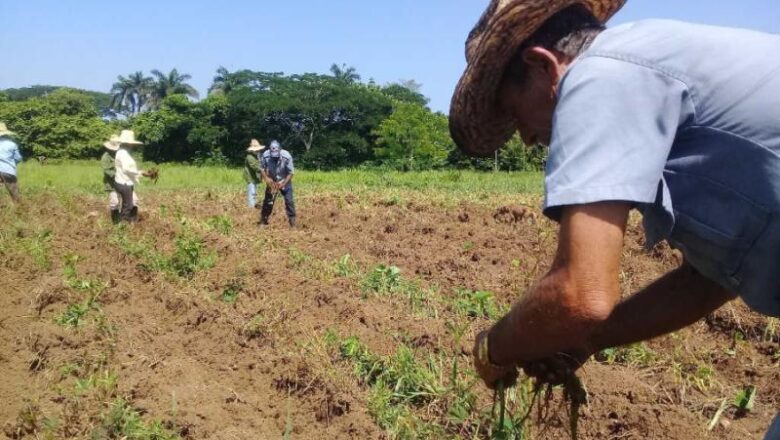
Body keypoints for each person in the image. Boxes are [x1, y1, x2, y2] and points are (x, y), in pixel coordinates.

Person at [448, 0, 780, 437]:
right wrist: (583, 341)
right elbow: (705, 283)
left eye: (515, 113)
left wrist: (493, 348)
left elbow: (580, 294)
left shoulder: (599, 76)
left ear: (542, 65)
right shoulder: (649, 61)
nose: (526, 138)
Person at [114, 130, 151, 223]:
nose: (133, 145)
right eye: (131, 143)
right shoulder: (123, 154)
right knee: (128, 205)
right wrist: (141, 173)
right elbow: (127, 169)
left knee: (133, 201)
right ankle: (121, 225)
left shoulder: (122, 152)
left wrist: (140, 173)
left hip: (123, 181)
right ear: (128, 143)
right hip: (124, 183)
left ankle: (132, 221)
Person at [259, 140, 296, 228]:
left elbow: (291, 173)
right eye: (273, 156)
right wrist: (266, 178)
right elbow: (261, 168)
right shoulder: (265, 155)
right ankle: (264, 221)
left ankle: (292, 223)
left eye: (276, 156)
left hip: (284, 180)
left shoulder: (287, 156)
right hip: (272, 180)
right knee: (268, 202)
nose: (275, 158)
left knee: (289, 201)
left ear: (280, 150)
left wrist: (283, 184)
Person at [0, 122, 22, 203]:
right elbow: (18, 158)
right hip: (8, 170)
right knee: (14, 193)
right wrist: (13, 163)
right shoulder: (12, 144)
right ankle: (19, 210)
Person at [244, 139, 265, 208]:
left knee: (254, 192)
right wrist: (263, 171)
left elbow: (259, 165)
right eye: (257, 150)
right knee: (252, 193)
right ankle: (251, 207)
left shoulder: (256, 156)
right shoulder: (249, 157)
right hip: (250, 177)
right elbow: (255, 167)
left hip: (254, 177)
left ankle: (253, 205)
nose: (258, 151)